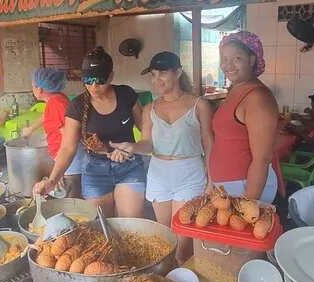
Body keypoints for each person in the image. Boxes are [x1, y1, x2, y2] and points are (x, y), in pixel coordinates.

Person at [109, 52, 214, 264]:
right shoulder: (150, 108)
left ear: (178, 72)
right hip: (159, 174)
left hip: (189, 174)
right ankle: (170, 278)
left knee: (182, 244)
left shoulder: (199, 105)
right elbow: (148, 143)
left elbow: (209, 145)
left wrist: (212, 181)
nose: (157, 79)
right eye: (154, 74)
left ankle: (184, 276)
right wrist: (132, 147)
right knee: (167, 239)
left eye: (163, 73)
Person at [33, 46, 145, 218]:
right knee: (100, 224)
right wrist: (52, 180)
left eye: (100, 80)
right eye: (88, 79)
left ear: (111, 76)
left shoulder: (126, 95)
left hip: (129, 166)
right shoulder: (77, 106)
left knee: (130, 222)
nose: (93, 86)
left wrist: (134, 147)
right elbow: (67, 148)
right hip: (95, 170)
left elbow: (146, 130)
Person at [209, 31, 280, 203]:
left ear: (252, 59)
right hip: (230, 186)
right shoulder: (236, 90)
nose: (228, 65)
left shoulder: (258, 97)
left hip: (246, 188)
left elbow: (262, 159)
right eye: (224, 59)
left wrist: (248, 205)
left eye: (236, 58)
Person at [22, 68, 85, 198]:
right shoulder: (56, 99)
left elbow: (68, 137)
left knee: (71, 197)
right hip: (68, 157)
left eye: (33, 86)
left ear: (39, 89)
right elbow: (46, 117)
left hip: (70, 158)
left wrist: (59, 172)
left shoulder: (56, 104)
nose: (32, 89)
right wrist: (30, 129)